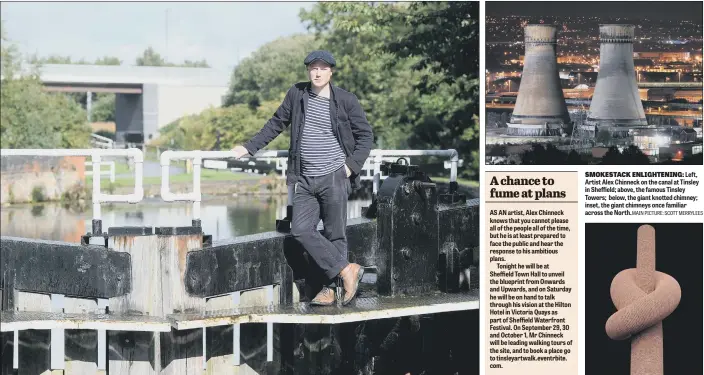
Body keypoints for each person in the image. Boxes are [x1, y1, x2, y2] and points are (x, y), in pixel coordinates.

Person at [231, 50, 373, 306]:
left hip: (334, 176)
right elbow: (276, 123)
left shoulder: (345, 100)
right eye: (313, 68)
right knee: (300, 230)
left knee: (335, 234)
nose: (317, 72)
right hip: (305, 178)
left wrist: (351, 166)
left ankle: (331, 290)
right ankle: (346, 269)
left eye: (323, 68)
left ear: (331, 71)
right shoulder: (297, 94)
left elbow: (365, 136)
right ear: (308, 71)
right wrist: (249, 147)